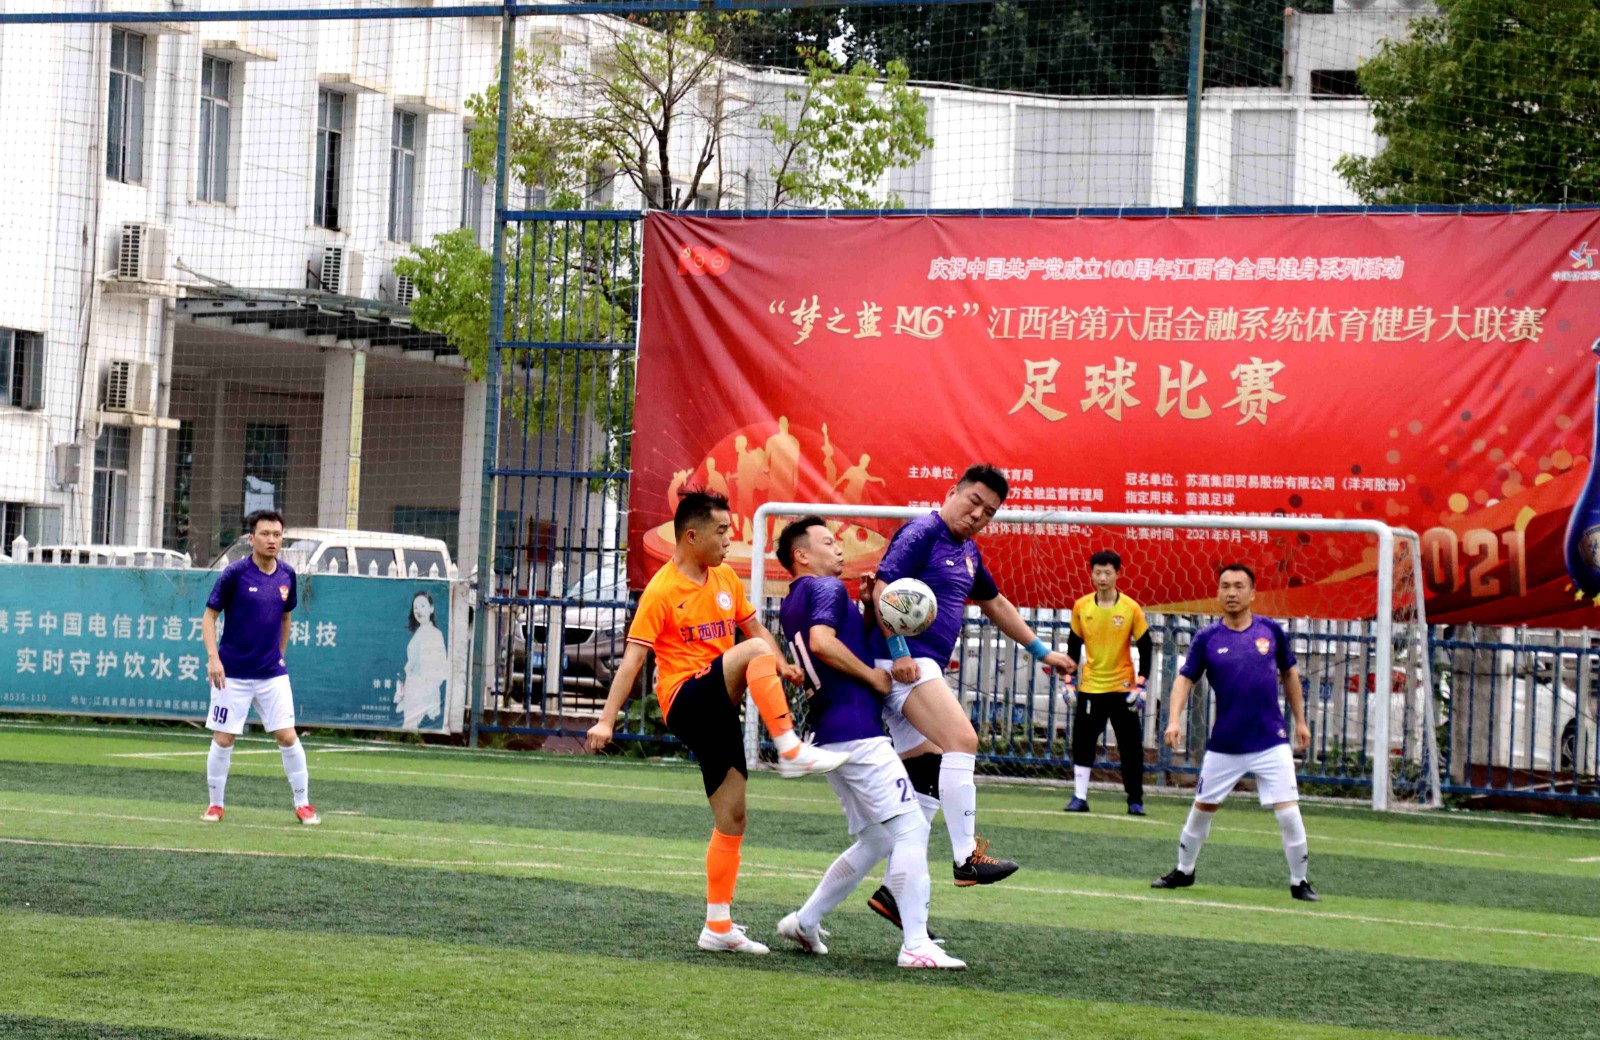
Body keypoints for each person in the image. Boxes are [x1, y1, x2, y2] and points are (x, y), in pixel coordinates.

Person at [586, 490, 848, 955]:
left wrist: (780, 663)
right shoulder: (662, 590)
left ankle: (717, 926)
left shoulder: (724, 577)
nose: (730, 539)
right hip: (685, 699)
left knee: (733, 817)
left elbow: (755, 630)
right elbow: (632, 661)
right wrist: (606, 721)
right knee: (753, 652)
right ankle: (789, 749)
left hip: (719, 703)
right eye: (722, 531)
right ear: (692, 536)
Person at [868, 464, 1075, 908]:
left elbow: (996, 604)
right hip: (905, 664)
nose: (978, 514)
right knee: (962, 740)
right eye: (973, 502)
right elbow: (883, 587)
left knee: (925, 784)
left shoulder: (969, 552)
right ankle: (966, 858)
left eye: (989, 511)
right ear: (952, 492)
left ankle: (889, 892)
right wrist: (900, 651)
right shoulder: (922, 532)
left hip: (919, 666)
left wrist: (1043, 652)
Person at [773, 516, 964, 970]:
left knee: (877, 838)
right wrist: (872, 677)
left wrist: (863, 611)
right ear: (802, 555)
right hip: (857, 731)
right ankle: (915, 944)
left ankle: (805, 920)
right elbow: (822, 643)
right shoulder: (825, 587)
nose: (838, 548)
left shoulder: (794, 599)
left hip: (829, 732)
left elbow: (832, 642)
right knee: (910, 828)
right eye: (827, 542)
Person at [1151, 564, 1320, 902]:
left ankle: (1299, 882)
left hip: (1270, 741)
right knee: (1202, 808)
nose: (1231, 592)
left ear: (1252, 593)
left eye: (1239, 586)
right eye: (1225, 586)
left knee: (1288, 812)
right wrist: (1173, 720)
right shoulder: (1207, 638)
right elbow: (1185, 679)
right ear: (1218, 593)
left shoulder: (1271, 631)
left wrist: (1301, 721)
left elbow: (1290, 675)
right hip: (1225, 744)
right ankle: (1184, 871)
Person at [200, 509, 319, 826]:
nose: (271, 540)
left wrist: (279, 655)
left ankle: (303, 805)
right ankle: (215, 805)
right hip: (232, 674)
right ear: (251, 539)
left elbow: (285, 618)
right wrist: (213, 658)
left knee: (288, 737)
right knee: (223, 739)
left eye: (277, 534)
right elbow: (209, 617)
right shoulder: (234, 574)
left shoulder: (287, 575)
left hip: (271, 675)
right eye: (265, 534)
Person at [1062, 550, 1154, 815]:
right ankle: (1079, 797)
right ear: (1091, 574)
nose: (1102, 578)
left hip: (1122, 689)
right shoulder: (1082, 607)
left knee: (1130, 746)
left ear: (1117, 574)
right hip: (1091, 687)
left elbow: (1146, 646)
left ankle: (1135, 800)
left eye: (1107, 573)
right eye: (1098, 572)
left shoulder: (1130, 608)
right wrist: (1068, 682)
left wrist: (1141, 685)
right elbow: (1073, 646)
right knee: (1083, 742)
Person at [397, 590, 448, 730]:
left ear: (431, 608)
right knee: (410, 727)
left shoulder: (436, 634)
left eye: (422, 606)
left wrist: (427, 687)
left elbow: (441, 668)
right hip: (412, 688)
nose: (418, 610)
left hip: (425, 690)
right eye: (415, 608)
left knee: (418, 727)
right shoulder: (418, 633)